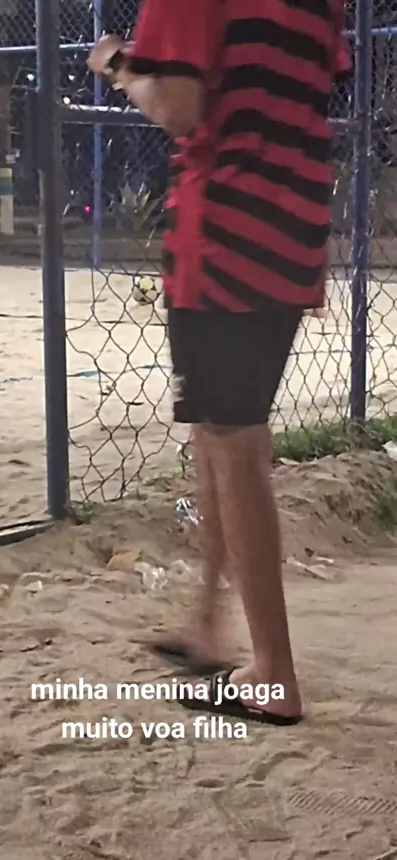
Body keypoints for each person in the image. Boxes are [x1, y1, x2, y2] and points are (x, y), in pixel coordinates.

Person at [88, 0, 350, 725]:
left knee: (232, 444)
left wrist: (118, 66)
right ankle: (208, 623)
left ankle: (272, 675)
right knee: (221, 430)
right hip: (291, 227)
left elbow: (179, 107)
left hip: (225, 231)